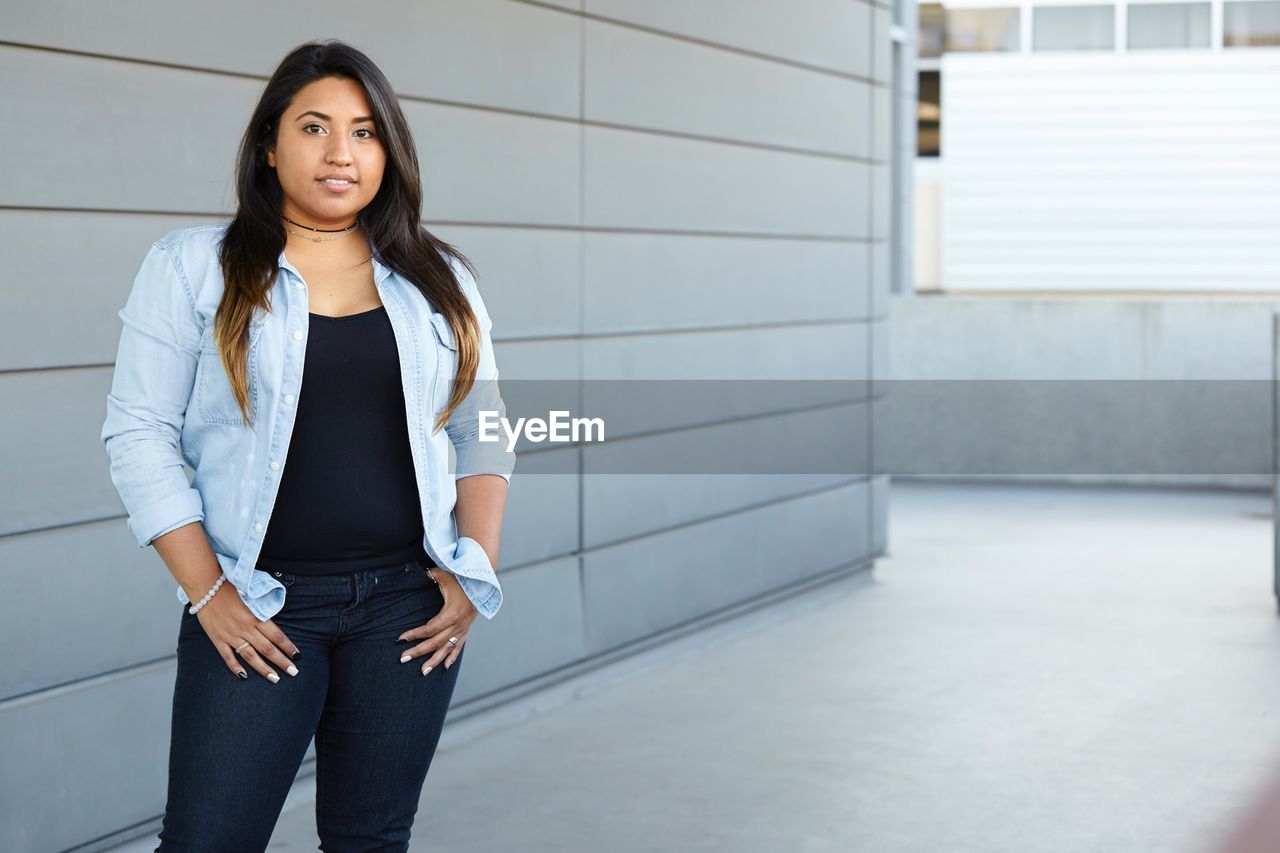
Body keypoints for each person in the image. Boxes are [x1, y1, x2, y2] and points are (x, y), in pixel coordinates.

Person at [99, 39, 516, 851]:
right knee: (206, 839)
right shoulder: (194, 268)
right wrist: (208, 593)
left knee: (372, 838)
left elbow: (483, 425)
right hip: (260, 604)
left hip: (408, 606)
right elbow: (138, 433)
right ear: (269, 142)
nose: (341, 153)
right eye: (315, 127)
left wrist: (477, 568)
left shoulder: (439, 278)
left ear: (389, 152)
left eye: (365, 133)